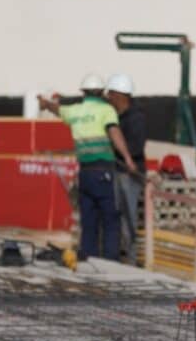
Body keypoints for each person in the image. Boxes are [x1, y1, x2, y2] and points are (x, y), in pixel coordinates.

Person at [38, 74, 137, 260]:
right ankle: (110, 261)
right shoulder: (106, 110)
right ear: (101, 92)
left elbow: (58, 109)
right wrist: (128, 159)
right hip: (104, 171)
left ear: (83, 92)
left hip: (85, 173)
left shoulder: (74, 111)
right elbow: (114, 132)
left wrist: (45, 104)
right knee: (110, 218)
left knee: (89, 219)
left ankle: (89, 258)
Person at [105, 73, 146, 264]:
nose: (108, 97)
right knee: (117, 215)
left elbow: (136, 148)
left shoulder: (136, 118)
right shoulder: (115, 116)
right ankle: (119, 253)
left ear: (120, 95)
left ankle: (131, 257)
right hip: (117, 171)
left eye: (111, 94)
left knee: (129, 217)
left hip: (130, 176)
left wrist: (114, 147)